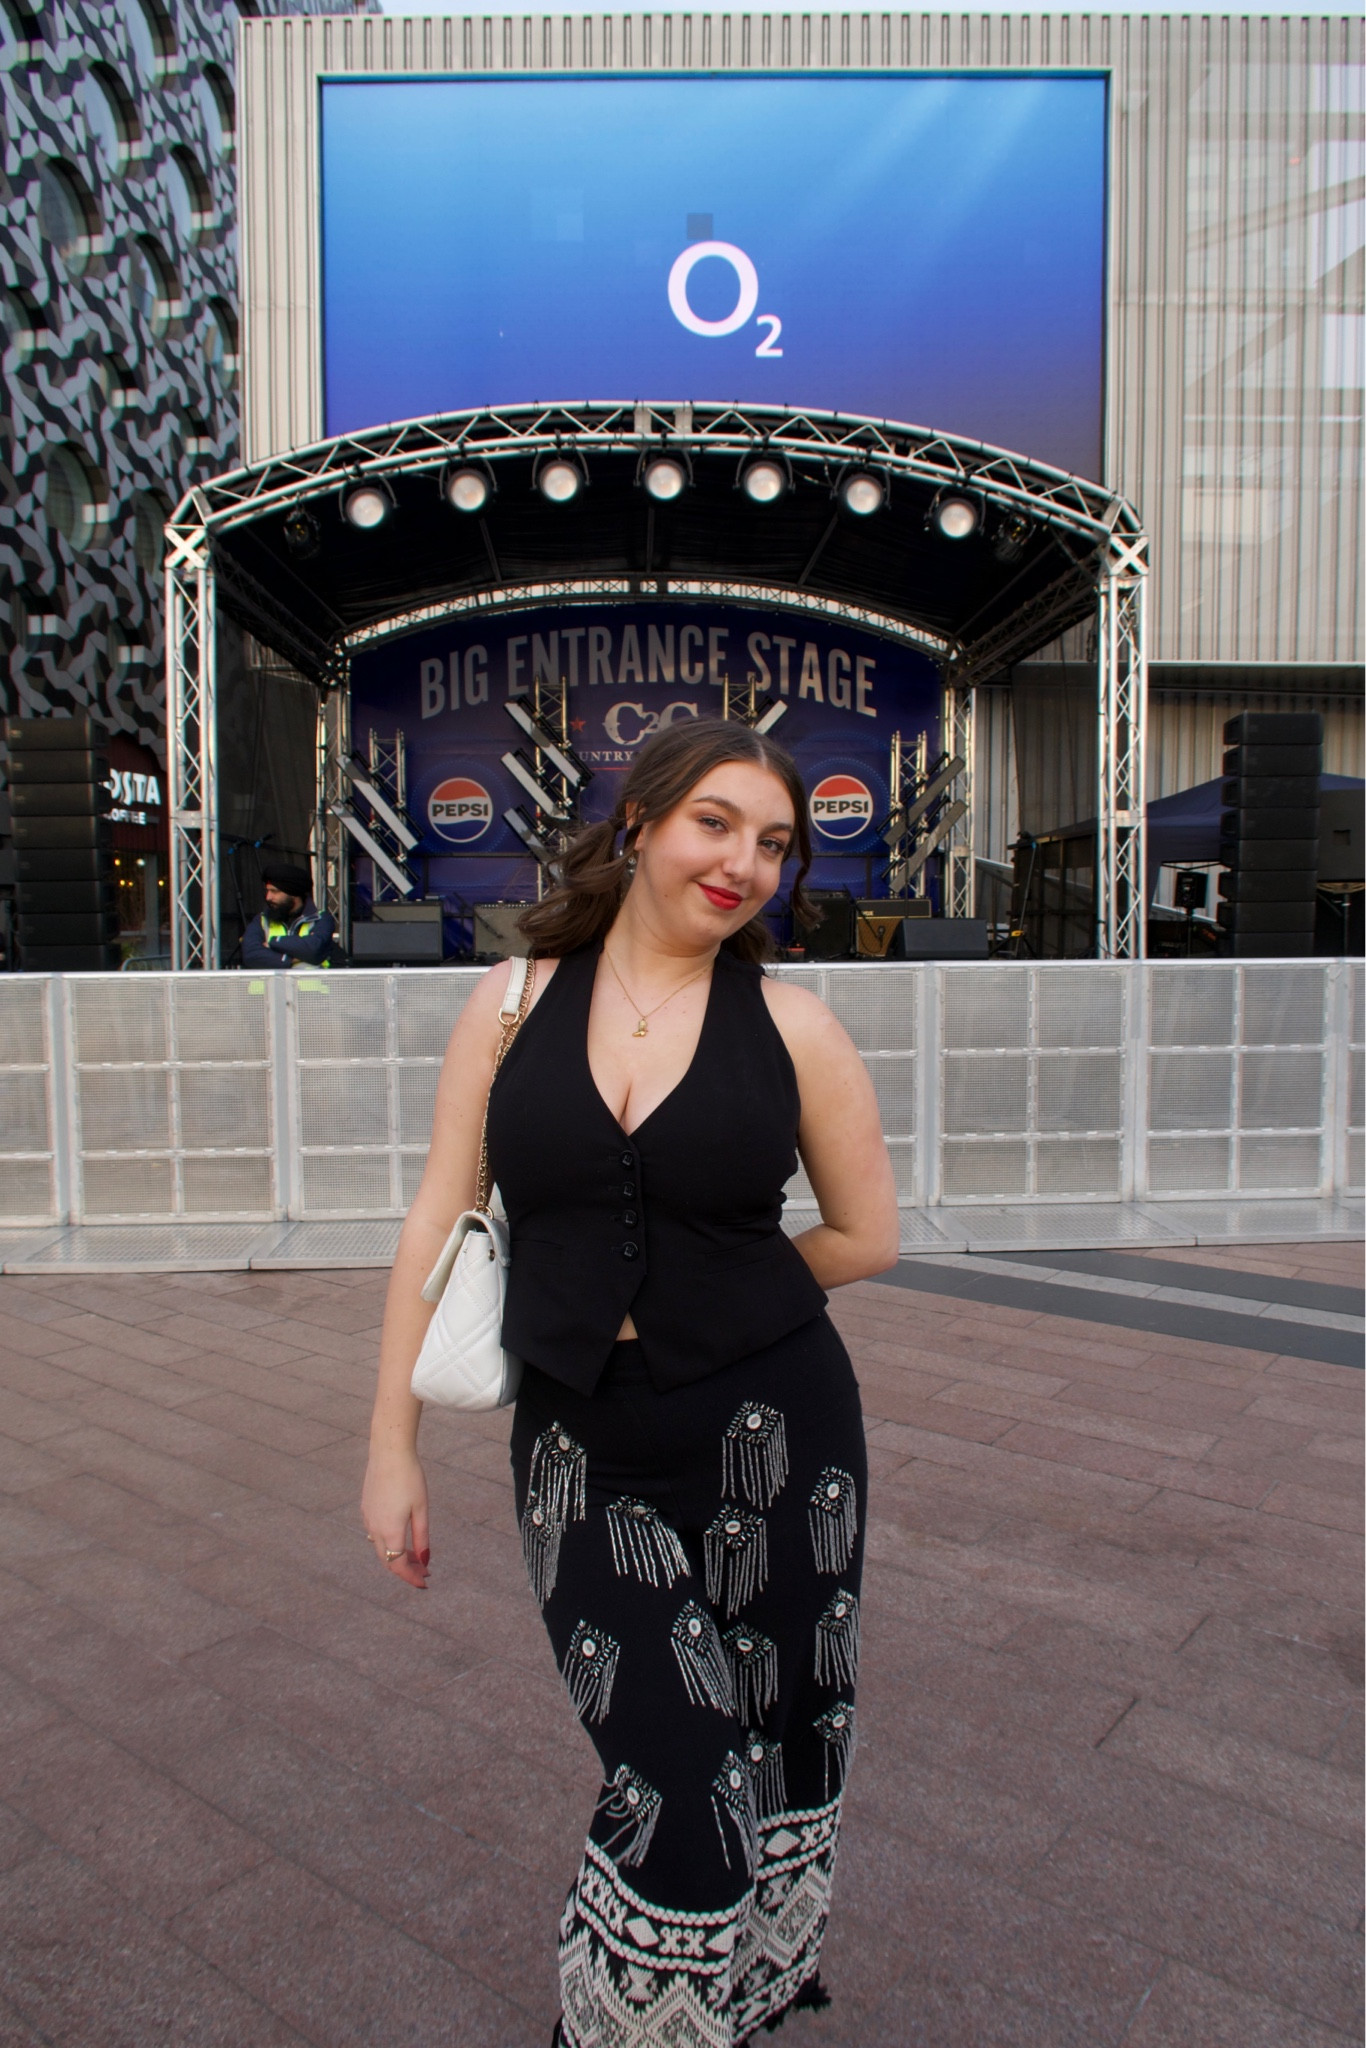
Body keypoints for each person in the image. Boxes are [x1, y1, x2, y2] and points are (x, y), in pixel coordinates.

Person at [361, 720, 899, 2048]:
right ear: (641, 824)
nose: (744, 862)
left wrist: (710, 1298)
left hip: (775, 1436)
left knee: (774, 1750)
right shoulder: (508, 1005)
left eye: (774, 843)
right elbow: (437, 1220)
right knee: (679, 1781)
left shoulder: (793, 1025)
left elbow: (864, 1233)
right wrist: (388, 1444)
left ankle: (720, 2008)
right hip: (580, 1450)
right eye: (715, 823)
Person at [240, 861, 339, 969]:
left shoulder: (321, 919)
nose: (268, 897)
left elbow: (313, 950)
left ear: (293, 893)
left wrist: (272, 942)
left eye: (274, 891)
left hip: (309, 986)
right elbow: (251, 955)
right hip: (270, 986)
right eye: (267, 891)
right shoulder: (261, 920)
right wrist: (291, 959)